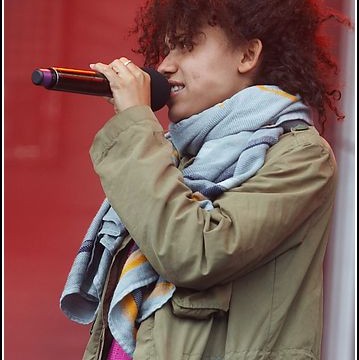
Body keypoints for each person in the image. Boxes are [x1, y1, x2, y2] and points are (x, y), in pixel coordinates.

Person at [60, 1, 352, 359]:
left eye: (186, 45)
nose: (165, 65)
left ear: (247, 54)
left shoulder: (301, 156)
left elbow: (193, 251)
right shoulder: (177, 155)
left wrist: (135, 126)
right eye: (167, 47)